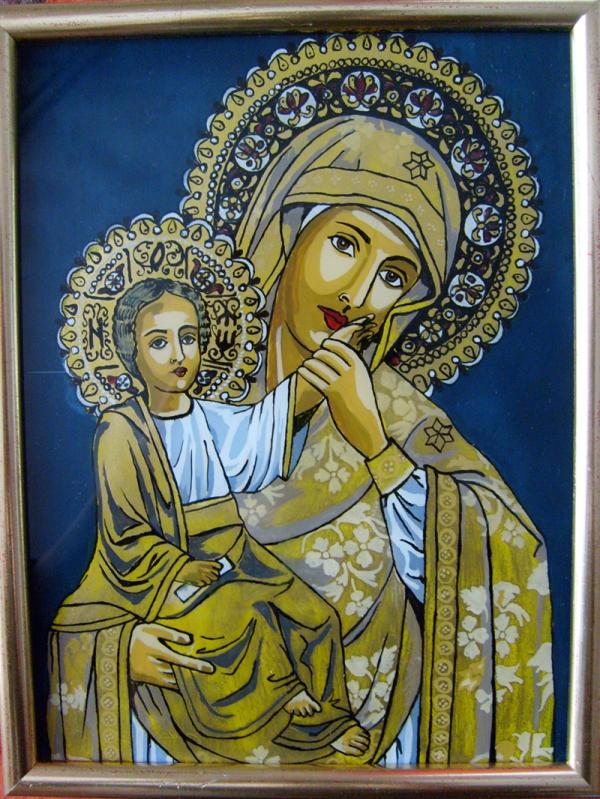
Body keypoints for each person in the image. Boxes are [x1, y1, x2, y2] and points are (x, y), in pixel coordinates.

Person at [229, 115, 555, 766]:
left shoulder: (403, 421)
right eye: (345, 244)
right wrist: (123, 649)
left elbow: (511, 555)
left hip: (376, 758)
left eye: (394, 276)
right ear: (290, 232)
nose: (359, 295)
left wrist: (379, 451)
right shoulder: (190, 397)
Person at [47, 277, 371, 765]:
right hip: (164, 570)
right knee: (240, 616)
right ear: (132, 353)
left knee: (317, 615)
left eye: (189, 337)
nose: (178, 354)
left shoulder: (215, 419)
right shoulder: (120, 431)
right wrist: (180, 566)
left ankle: (332, 717)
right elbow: (125, 532)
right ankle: (288, 705)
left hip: (237, 552)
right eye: (159, 342)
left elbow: (284, 409)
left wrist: (336, 351)